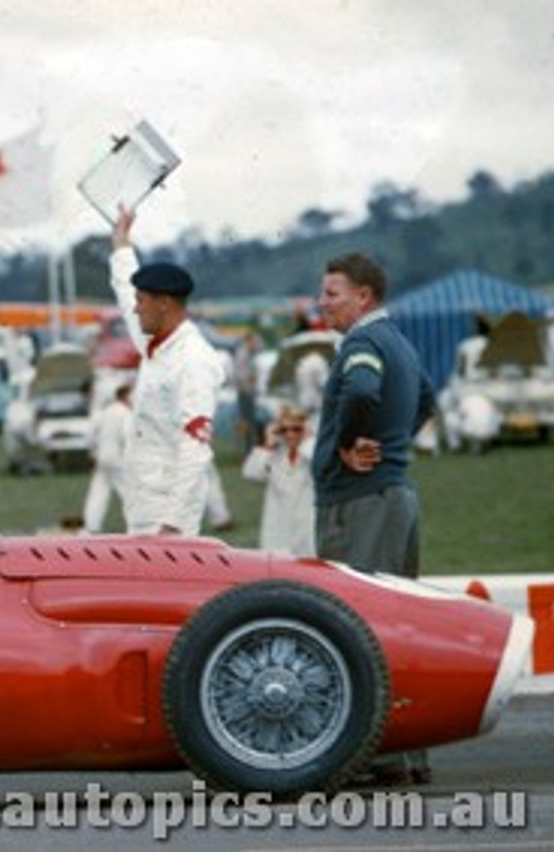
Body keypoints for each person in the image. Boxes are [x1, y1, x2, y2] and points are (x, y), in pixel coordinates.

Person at [313, 252, 435, 786]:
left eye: (332, 293)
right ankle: (406, 755)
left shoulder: (362, 344)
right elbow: (427, 399)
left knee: (357, 628)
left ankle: (374, 757)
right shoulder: (399, 343)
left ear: (363, 297)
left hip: (360, 500)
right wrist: (391, 444)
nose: (323, 302)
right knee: (397, 628)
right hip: (396, 496)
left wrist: (348, 444)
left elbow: (361, 391)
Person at [108, 208, 226, 536]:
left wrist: (173, 524)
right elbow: (123, 291)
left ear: (164, 303)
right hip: (144, 498)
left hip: (168, 512)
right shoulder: (156, 343)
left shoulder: (193, 361)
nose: (135, 307)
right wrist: (121, 245)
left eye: (141, 300)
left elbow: (196, 446)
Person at [241, 406, 316, 556]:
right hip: (277, 531)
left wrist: (308, 441)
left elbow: (320, 467)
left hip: (308, 533)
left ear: (306, 429)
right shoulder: (274, 455)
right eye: (284, 430)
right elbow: (250, 473)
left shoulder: (313, 452)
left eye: (296, 429)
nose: (290, 434)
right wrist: (268, 444)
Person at [82, 382, 133, 533]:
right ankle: (137, 525)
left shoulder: (106, 411)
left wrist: (93, 452)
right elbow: (128, 436)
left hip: (102, 457)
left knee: (98, 492)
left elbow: (91, 435)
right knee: (129, 493)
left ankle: (91, 525)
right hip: (118, 458)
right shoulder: (125, 413)